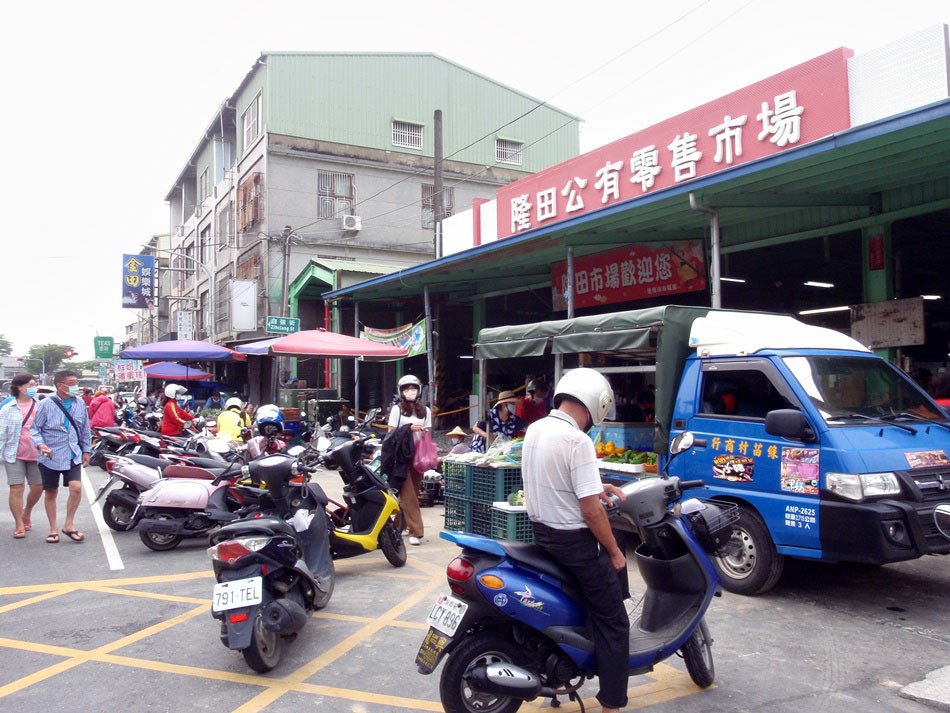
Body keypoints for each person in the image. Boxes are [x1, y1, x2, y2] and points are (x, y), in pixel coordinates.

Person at [521, 368, 629, 713]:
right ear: (595, 405)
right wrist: (613, 551)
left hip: (541, 536)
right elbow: (592, 512)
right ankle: (612, 702)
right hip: (575, 546)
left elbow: (559, 479)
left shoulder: (536, 428)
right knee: (615, 622)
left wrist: (601, 487)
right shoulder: (577, 440)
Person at [30, 369, 92, 544]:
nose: (76, 386)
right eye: (71, 384)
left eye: (76, 383)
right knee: (51, 492)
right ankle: (53, 529)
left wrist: (86, 451)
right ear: (60, 386)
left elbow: (85, 429)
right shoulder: (45, 404)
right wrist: (41, 445)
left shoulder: (79, 403)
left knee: (76, 487)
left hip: (73, 453)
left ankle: (69, 525)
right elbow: (34, 429)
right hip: (50, 455)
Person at [387, 374, 431, 546]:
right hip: (401, 456)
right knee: (408, 495)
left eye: (413, 388)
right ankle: (416, 531)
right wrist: (409, 429)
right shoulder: (397, 410)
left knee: (413, 491)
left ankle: (398, 525)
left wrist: (423, 432)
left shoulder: (425, 411)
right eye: (407, 389)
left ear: (419, 390)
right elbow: (391, 433)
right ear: (401, 391)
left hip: (418, 455)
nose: (410, 391)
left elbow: (427, 431)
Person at [0, 373, 43, 539]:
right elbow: (2, 433)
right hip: (14, 454)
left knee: (38, 487)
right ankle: (19, 522)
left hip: (38, 454)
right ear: (19, 387)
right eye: (30, 385)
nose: (33, 387)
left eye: (34, 384)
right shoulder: (7, 408)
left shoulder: (41, 406)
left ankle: (27, 512)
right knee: (16, 488)